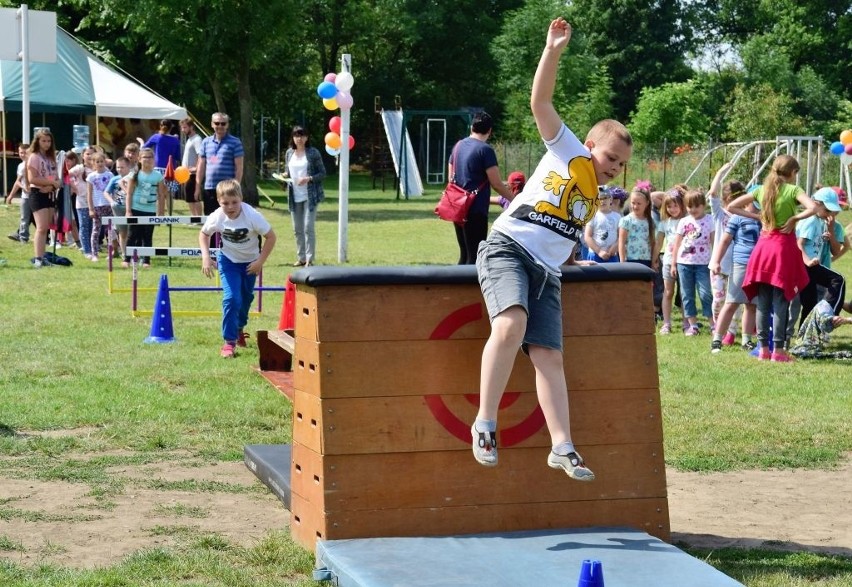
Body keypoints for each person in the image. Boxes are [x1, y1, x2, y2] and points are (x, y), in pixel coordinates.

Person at [471, 18, 632, 481]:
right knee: (512, 322)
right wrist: (553, 50)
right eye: (609, 158)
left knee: (550, 355)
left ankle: (561, 445)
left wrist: (571, 257)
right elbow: (539, 101)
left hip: (547, 270)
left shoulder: (595, 192)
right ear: (590, 146)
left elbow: (562, 229)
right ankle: (485, 422)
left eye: (621, 165)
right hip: (507, 248)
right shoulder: (569, 152)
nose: (614, 169)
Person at [727, 154, 819, 362]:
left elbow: (731, 206)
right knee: (781, 300)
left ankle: (763, 350)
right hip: (782, 249)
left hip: (763, 249)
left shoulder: (762, 189)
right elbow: (813, 207)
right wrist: (795, 217)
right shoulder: (793, 190)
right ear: (793, 173)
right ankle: (778, 350)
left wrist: (757, 217)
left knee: (763, 302)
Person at [199, 179, 276, 358]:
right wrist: (205, 257)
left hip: (250, 262)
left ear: (241, 198)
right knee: (232, 298)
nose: (231, 207)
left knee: (246, 299)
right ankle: (229, 342)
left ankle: (239, 328)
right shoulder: (217, 216)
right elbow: (203, 234)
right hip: (228, 261)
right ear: (219, 201)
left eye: (235, 202)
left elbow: (271, 237)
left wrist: (260, 262)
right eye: (225, 203)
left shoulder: (253, 216)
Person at [448, 111, 513, 264]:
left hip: (457, 206)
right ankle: (471, 288)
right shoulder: (485, 150)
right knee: (475, 256)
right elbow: (496, 183)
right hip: (475, 210)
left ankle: (455, 287)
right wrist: (515, 199)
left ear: (472, 127)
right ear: (489, 131)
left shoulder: (458, 146)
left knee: (464, 254)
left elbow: (450, 178)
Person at [709, 199, 760, 353]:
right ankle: (717, 339)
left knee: (752, 305)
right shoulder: (736, 218)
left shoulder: (765, 220)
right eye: (755, 203)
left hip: (758, 267)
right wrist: (716, 261)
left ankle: (746, 340)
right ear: (746, 203)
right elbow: (724, 241)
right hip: (740, 264)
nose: (758, 206)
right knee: (731, 302)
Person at [793, 187, 848, 325]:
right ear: (816, 204)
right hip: (805, 265)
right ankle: (829, 316)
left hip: (812, 266)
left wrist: (829, 234)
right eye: (828, 210)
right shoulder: (811, 220)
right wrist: (807, 260)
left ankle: (806, 337)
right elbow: (799, 243)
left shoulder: (822, 222)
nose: (831, 214)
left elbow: (835, 250)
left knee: (810, 303)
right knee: (838, 279)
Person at [707, 163, 744, 344]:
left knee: (735, 302)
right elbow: (712, 193)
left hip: (738, 266)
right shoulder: (720, 214)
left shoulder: (745, 217)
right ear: (725, 200)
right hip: (719, 266)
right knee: (719, 299)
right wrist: (720, 172)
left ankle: (731, 332)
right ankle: (717, 325)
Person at [671, 190, 714, 336]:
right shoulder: (684, 222)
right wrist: (673, 264)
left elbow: (713, 242)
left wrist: (715, 261)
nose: (693, 209)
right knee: (687, 295)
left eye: (696, 206)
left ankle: (713, 324)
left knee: (705, 294)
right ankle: (693, 325)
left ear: (703, 205)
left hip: (704, 264)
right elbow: (676, 245)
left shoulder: (710, 220)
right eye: (689, 206)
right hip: (684, 263)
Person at [282, 126, 326, 266]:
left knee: (308, 227)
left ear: (307, 138)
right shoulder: (289, 153)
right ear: (293, 138)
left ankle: (309, 259)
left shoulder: (313, 153)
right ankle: (301, 258)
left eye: (302, 136)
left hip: (310, 196)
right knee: (297, 228)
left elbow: (322, 173)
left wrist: (309, 178)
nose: (299, 139)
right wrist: (284, 176)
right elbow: (288, 172)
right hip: (294, 196)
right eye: (296, 136)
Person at [195, 112, 244, 216]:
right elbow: (201, 166)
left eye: (223, 123)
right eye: (217, 123)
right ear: (212, 124)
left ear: (227, 125)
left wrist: (236, 187)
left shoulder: (235, 142)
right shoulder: (205, 142)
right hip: (210, 188)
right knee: (210, 220)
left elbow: (239, 168)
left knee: (228, 220)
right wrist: (197, 186)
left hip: (228, 190)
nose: (220, 126)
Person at [26, 129, 62, 268]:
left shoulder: (51, 157)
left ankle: (42, 257)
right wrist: (50, 183)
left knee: (46, 228)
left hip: (50, 193)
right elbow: (32, 178)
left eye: (49, 141)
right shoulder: (34, 157)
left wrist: (53, 186)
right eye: (43, 141)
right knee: (41, 228)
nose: (46, 144)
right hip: (37, 194)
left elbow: (57, 179)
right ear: (38, 141)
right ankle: (38, 259)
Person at [125, 148, 166, 267]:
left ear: (154, 159)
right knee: (132, 235)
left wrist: (161, 212)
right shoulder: (134, 174)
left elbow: (161, 195)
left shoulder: (158, 176)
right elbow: (129, 193)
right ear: (139, 159)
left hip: (150, 210)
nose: (148, 160)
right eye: (145, 157)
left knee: (147, 236)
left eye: (150, 157)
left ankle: (146, 260)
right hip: (136, 209)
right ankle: (127, 259)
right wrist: (128, 211)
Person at [655, 190, 685, 334]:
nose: (672, 209)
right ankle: (666, 323)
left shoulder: (687, 220)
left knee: (685, 293)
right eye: (669, 206)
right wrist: (654, 259)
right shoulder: (664, 223)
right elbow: (658, 242)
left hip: (686, 262)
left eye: (675, 205)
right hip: (667, 261)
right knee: (668, 292)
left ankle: (687, 323)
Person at [86, 152, 115, 262]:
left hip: (108, 205)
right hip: (97, 206)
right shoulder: (91, 177)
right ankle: (94, 253)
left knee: (110, 230)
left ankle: (111, 251)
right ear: (93, 163)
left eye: (101, 161)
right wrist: (91, 209)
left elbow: (113, 190)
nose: (100, 163)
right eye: (97, 161)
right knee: (96, 230)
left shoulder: (110, 175)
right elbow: (89, 194)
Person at [618, 189, 657, 270]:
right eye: (633, 203)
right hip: (630, 260)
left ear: (647, 203)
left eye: (639, 204)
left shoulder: (650, 221)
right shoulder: (626, 220)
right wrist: (622, 262)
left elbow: (653, 242)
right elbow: (621, 243)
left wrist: (654, 261)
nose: (635, 206)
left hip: (646, 261)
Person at [104, 156, 133, 265]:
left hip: (131, 207)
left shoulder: (132, 178)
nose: (120, 169)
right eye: (118, 167)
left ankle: (136, 254)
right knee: (122, 231)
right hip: (118, 208)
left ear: (129, 167)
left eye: (122, 167)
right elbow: (106, 192)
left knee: (133, 232)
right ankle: (125, 254)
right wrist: (111, 201)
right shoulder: (114, 179)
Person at [584, 187, 619, 262]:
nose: (602, 201)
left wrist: (615, 246)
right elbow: (587, 236)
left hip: (612, 255)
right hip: (595, 255)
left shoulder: (617, 216)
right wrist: (599, 251)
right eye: (600, 198)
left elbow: (621, 236)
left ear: (610, 199)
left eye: (605, 198)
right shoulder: (592, 216)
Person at [6, 144, 32, 242]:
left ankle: (46, 237)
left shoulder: (33, 164)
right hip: (25, 196)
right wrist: (11, 196)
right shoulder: (21, 166)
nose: (23, 155)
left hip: (35, 196)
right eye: (21, 152)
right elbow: (18, 182)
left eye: (25, 153)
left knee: (34, 219)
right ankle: (23, 237)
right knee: (24, 217)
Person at [180, 118, 203, 216]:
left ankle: (198, 218)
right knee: (189, 197)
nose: (182, 130)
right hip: (186, 174)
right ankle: (194, 218)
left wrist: (196, 168)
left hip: (193, 174)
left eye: (185, 127)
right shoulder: (190, 139)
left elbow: (200, 155)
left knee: (195, 196)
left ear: (191, 127)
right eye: (182, 127)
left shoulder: (197, 139)